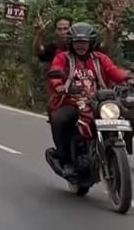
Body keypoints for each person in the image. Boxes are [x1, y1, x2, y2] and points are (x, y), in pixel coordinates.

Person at [47, 22, 132, 177]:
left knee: (126, 113)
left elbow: (114, 72)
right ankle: (64, 159)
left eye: (84, 42)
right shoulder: (63, 58)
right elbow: (55, 72)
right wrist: (59, 85)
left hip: (99, 102)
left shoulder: (100, 58)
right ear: (71, 43)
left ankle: (122, 150)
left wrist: (128, 78)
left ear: (90, 43)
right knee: (60, 119)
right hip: (71, 101)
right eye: (77, 42)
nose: (81, 46)